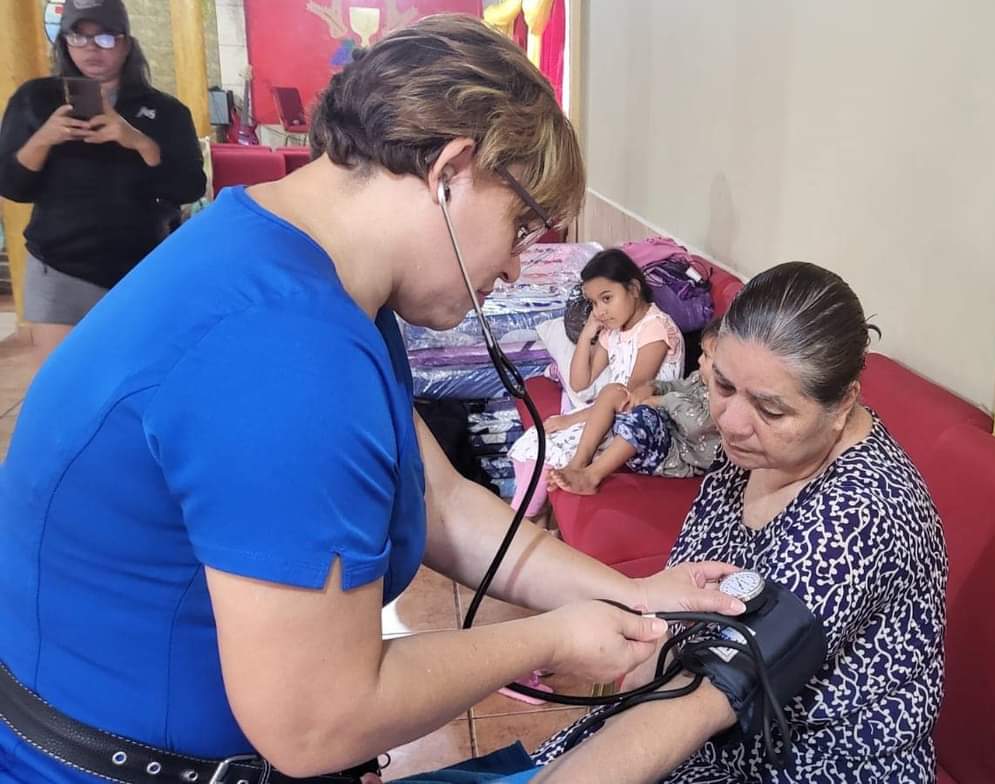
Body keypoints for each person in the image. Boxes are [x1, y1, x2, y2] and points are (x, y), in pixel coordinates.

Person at [0, 16, 744, 784]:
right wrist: (551, 639)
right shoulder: (286, 350)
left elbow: (443, 505)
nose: (517, 269)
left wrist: (630, 596)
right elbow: (319, 722)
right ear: (451, 168)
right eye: (521, 226)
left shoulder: (293, 261)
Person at [524, 262, 947, 783]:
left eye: (770, 410)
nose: (729, 421)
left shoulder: (861, 514)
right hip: (715, 724)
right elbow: (687, 602)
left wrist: (617, 672)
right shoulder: (755, 451)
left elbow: (707, 700)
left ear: (843, 406)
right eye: (722, 384)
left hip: (811, 762)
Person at [0, 0, 205, 366]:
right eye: (79, 36)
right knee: (64, 384)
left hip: (141, 266)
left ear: (127, 43)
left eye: (106, 38)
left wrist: (139, 141)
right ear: (65, 41)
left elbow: (189, 187)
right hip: (59, 266)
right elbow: (12, 186)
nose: (92, 48)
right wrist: (44, 139)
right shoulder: (35, 99)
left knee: (132, 378)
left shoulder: (166, 111)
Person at [507, 248, 684, 516]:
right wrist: (588, 332)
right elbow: (580, 382)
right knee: (537, 439)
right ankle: (533, 523)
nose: (600, 311)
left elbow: (628, 396)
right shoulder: (615, 330)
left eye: (607, 298)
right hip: (612, 413)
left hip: (643, 422)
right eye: (593, 303)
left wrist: (570, 420)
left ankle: (520, 520)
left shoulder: (655, 328)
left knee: (547, 451)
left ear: (634, 289)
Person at [550, 318, 722, 495]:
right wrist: (653, 387)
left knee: (646, 417)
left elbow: (699, 424)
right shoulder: (699, 379)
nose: (700, 360)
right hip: (659, 437)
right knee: (613, 392)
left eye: (707, 356)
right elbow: (677, 386)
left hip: (674, 457)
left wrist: (661, 400)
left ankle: (591, 477)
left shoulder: (725, 400)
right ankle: (578, 463)